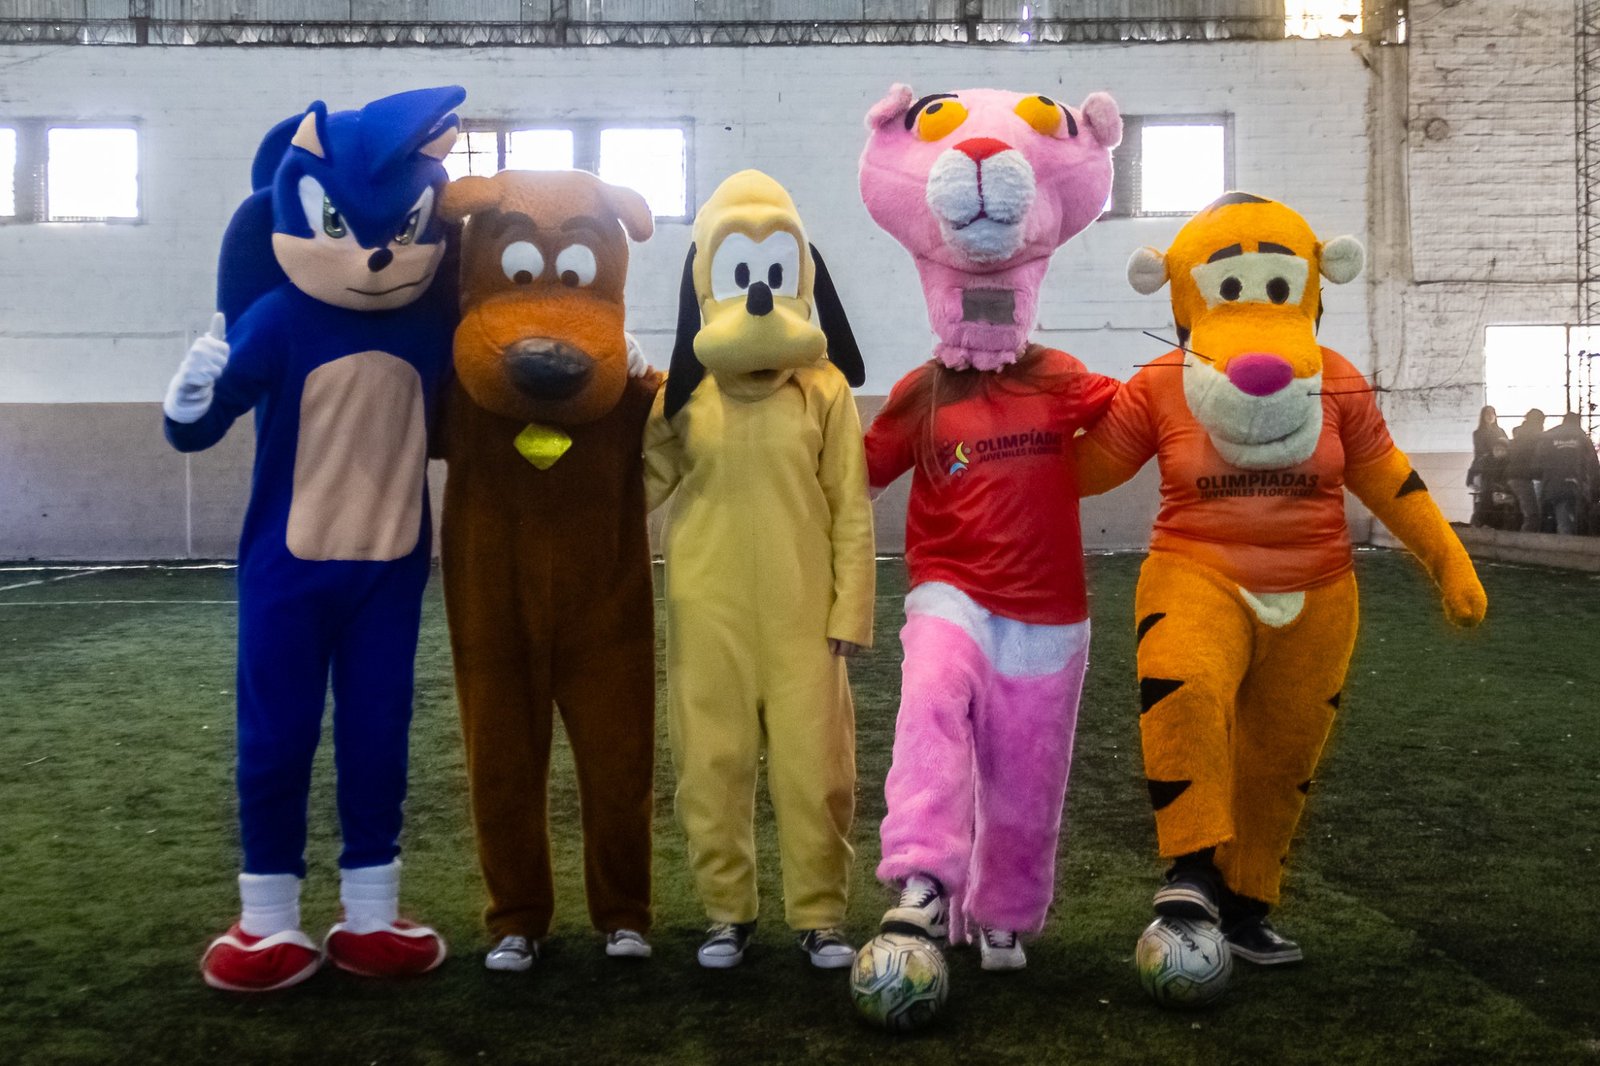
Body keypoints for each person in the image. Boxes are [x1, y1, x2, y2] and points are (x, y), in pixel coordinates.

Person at [1536, 412, 1600, 535]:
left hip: (1550, 485)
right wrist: (1595, 491)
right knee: (1568, 522)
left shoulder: (1549, 436)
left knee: (1550, 521)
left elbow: (1538, 463)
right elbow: (1593, 466)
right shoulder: (1582, 438)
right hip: (1574, 485)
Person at [1505, 408, 1547, 532]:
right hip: (1523, 477)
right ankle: (1526, 539)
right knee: (1532, 515)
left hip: (1515, 475)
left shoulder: (1521, 433)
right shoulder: (1534, 435)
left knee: (1526, 513)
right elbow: (1538, 456)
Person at [1466, 405, 1507, 494]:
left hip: (1500, 462)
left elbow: (1506, 445)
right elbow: (1480, 450)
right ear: (1483, 416)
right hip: (1485, 463)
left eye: (1492, 414)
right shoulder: (1478, 433)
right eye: (1487, 414)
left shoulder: (1501, 431)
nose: (1490, 416)